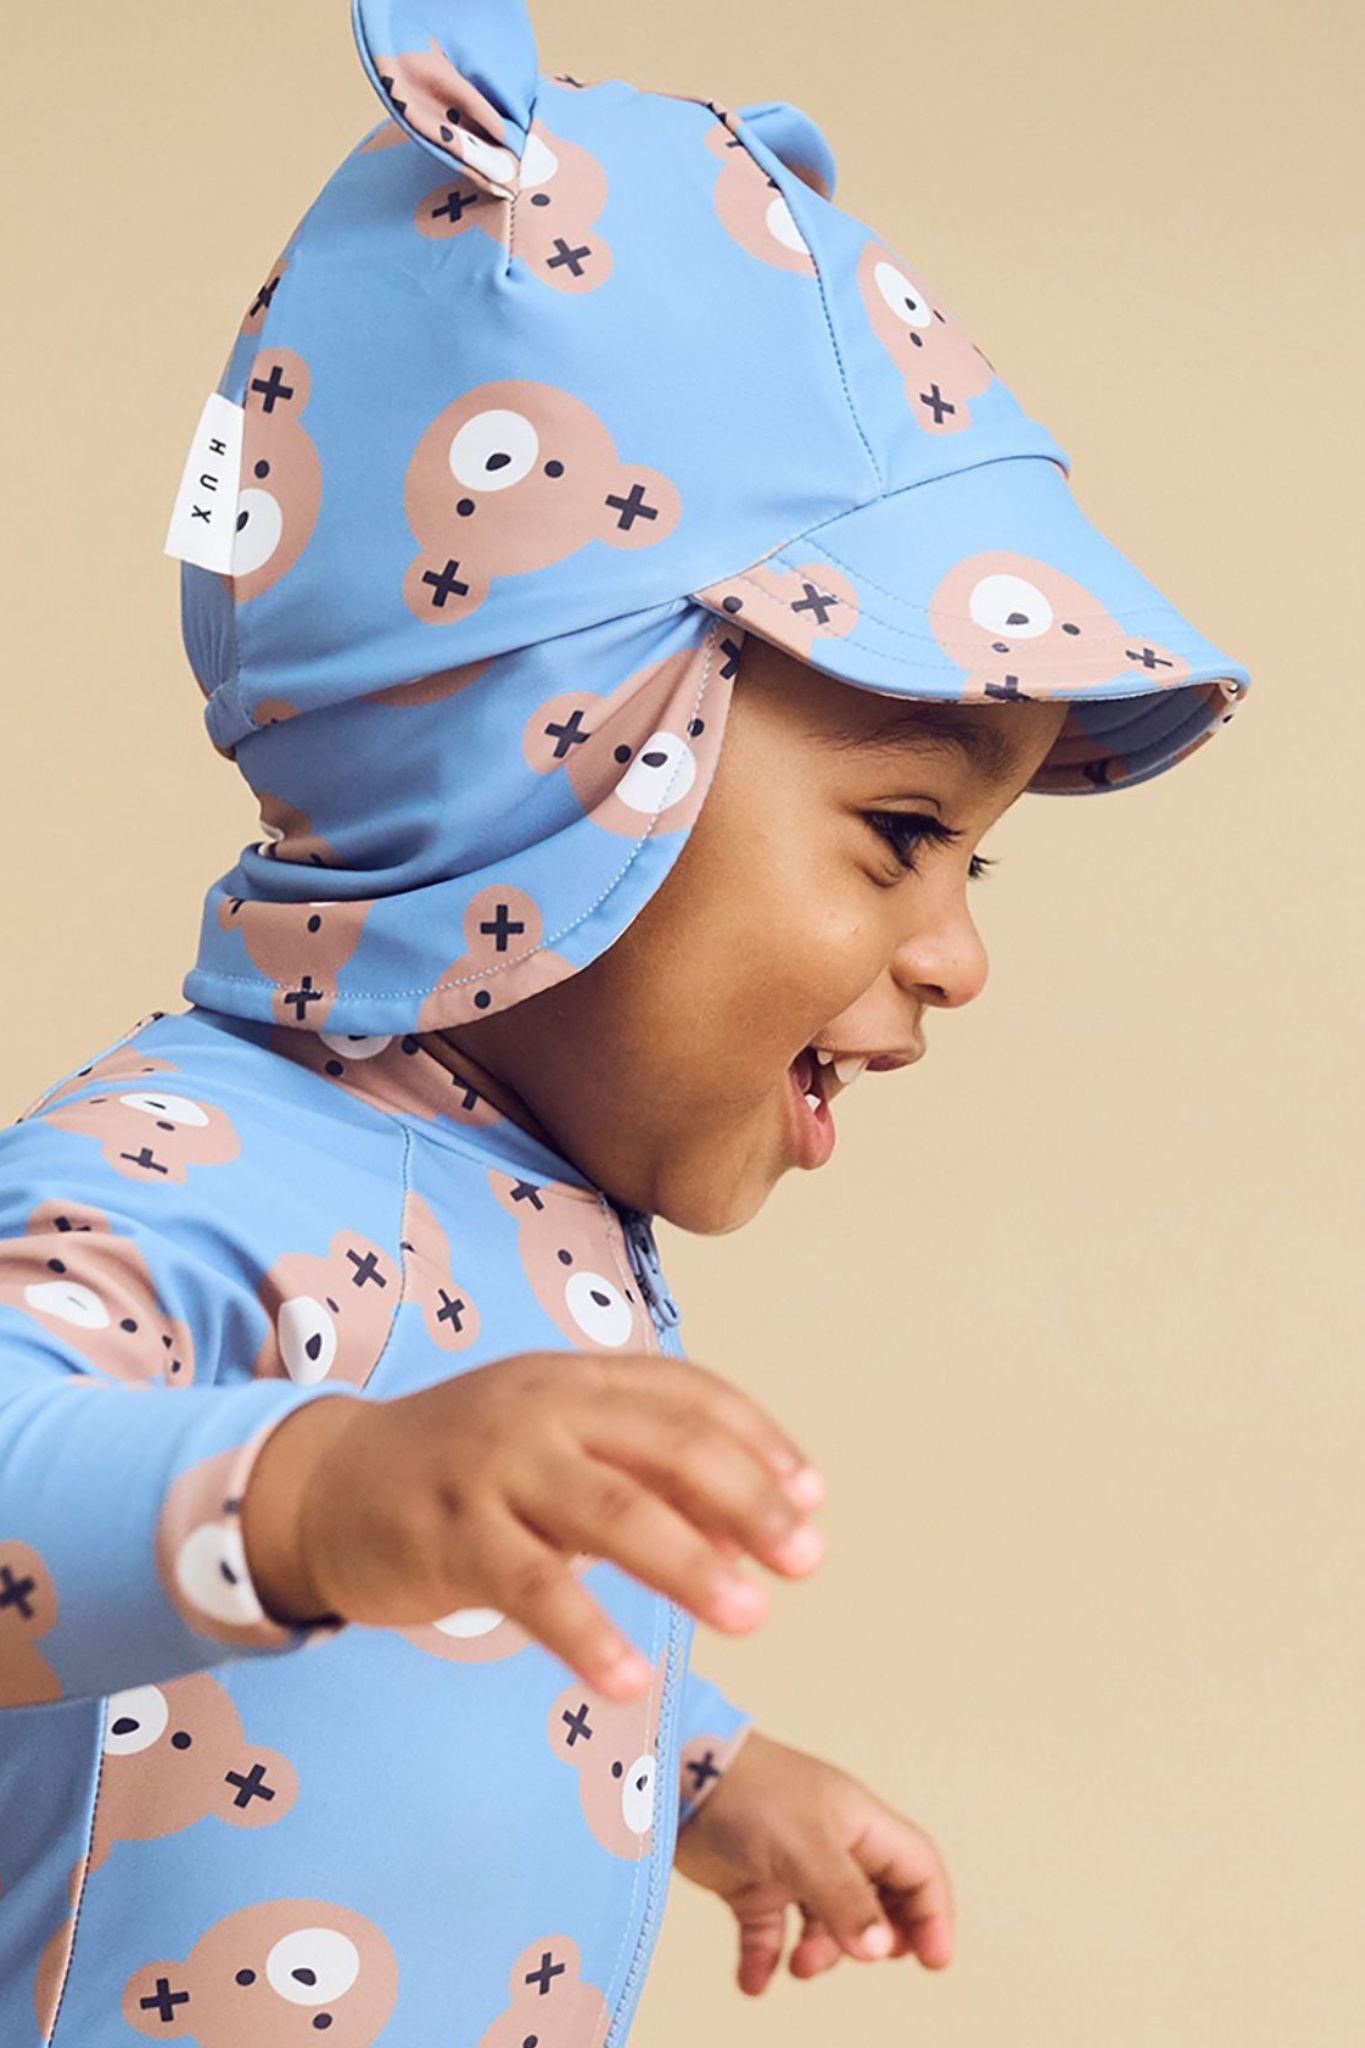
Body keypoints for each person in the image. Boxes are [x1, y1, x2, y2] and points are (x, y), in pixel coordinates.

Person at [0, 0, 1251, 2041]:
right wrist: (313, 1499)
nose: (955, 955)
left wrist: (704, 1768)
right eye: (902, 834)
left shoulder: (529, 1221)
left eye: (976, 866)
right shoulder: (184, 1170)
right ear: (565, 754)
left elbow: (457, 1624)